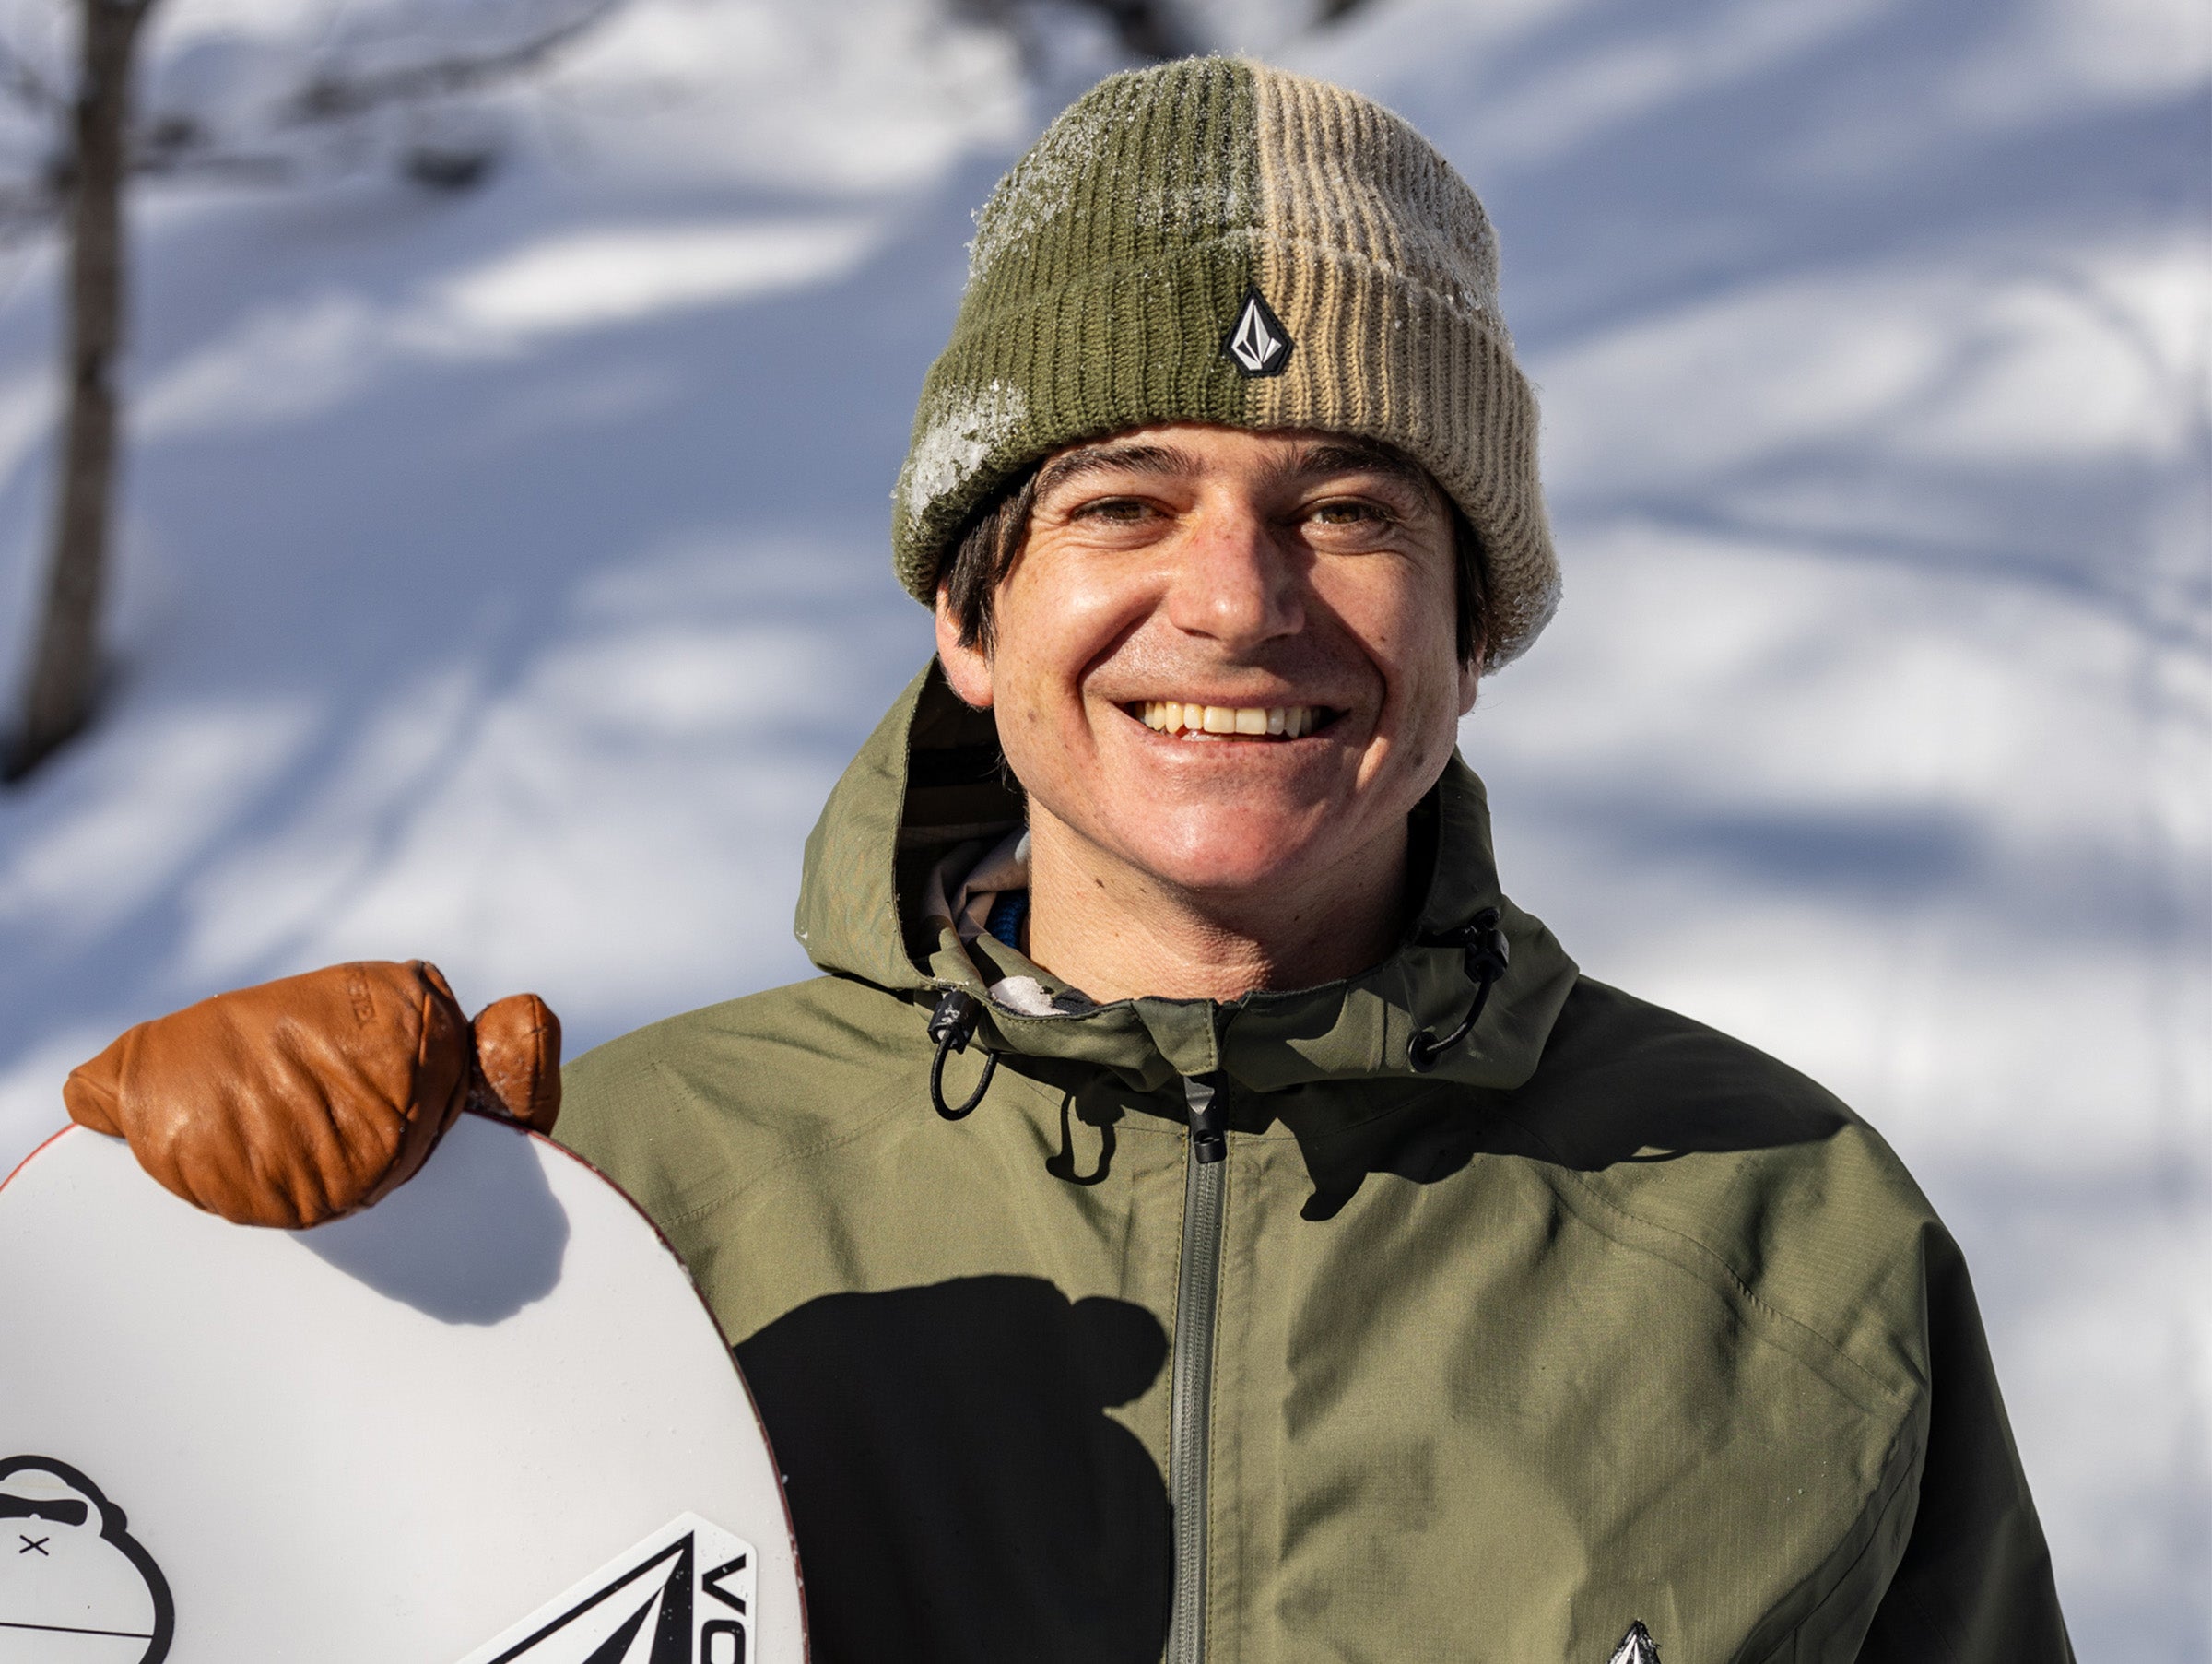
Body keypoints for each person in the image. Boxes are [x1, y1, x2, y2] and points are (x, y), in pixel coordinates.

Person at [60, 57, 2073, 1664]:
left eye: (1353, 510)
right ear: (970, 613)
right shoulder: (613, 1205)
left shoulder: (1782, 1238)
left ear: (1478, 634)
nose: (1235, 601)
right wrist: (198, 1309)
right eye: (1124, 502)